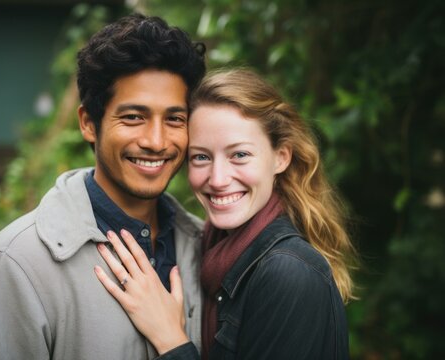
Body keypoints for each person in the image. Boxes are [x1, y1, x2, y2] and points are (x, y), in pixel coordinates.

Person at [0, 13, 206, 359]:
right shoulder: (16, 264)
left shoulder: (208, 248)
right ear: (89, 123)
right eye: (133, 117)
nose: (156, 140)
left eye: (174, 119)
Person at [95, 69, 357, 359]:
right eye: (201, 157)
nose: (218, 179)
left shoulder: (287, 272)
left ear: (281, 157)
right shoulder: (214, 252)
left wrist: (170, 339)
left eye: (239, 155)